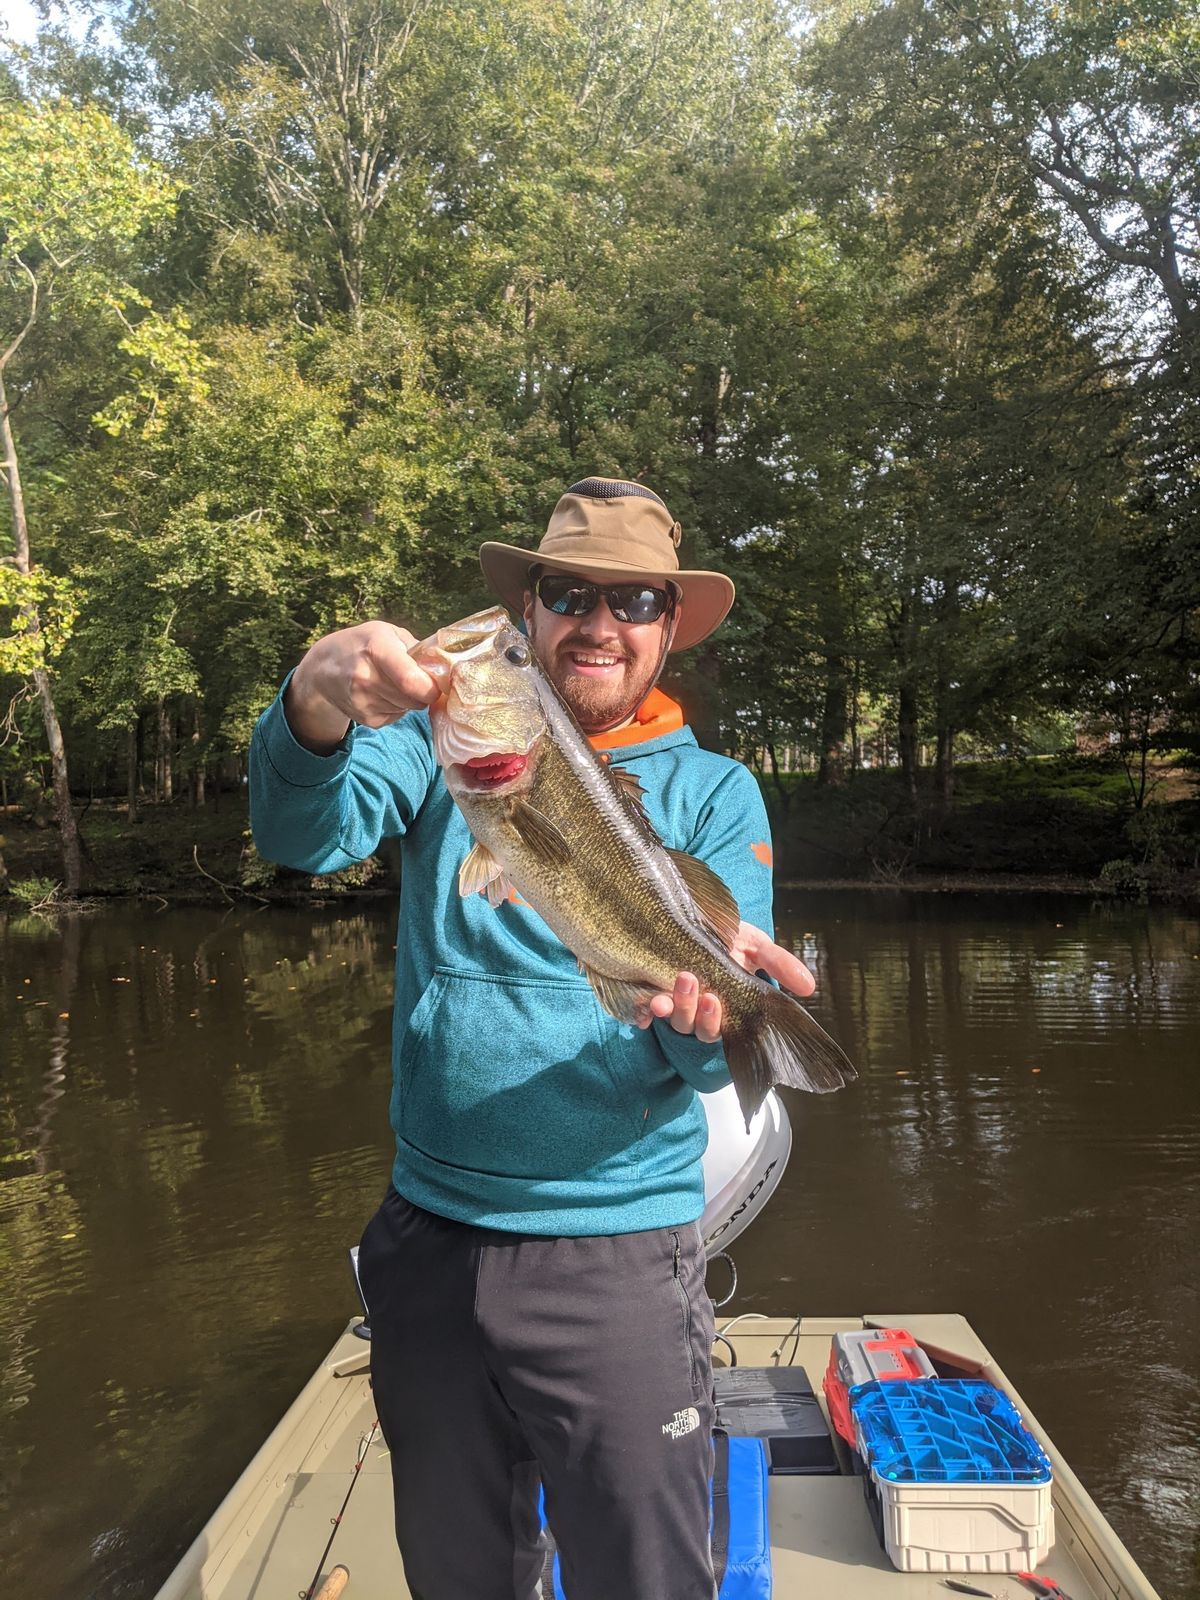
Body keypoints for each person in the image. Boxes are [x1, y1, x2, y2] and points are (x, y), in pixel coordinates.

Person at [248, 477, 817, 1600]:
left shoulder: (716, 793)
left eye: (634, 600)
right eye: (567, 595)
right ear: (533, 610)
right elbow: (302, 834)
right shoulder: (442, 744)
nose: (598, 623)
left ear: (667, 626)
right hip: (428, 1239)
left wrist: (714, 1022)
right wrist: (312, 698)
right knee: (458, 1571)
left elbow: (708, 1062)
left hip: (616, 1259)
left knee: (643, 1576)